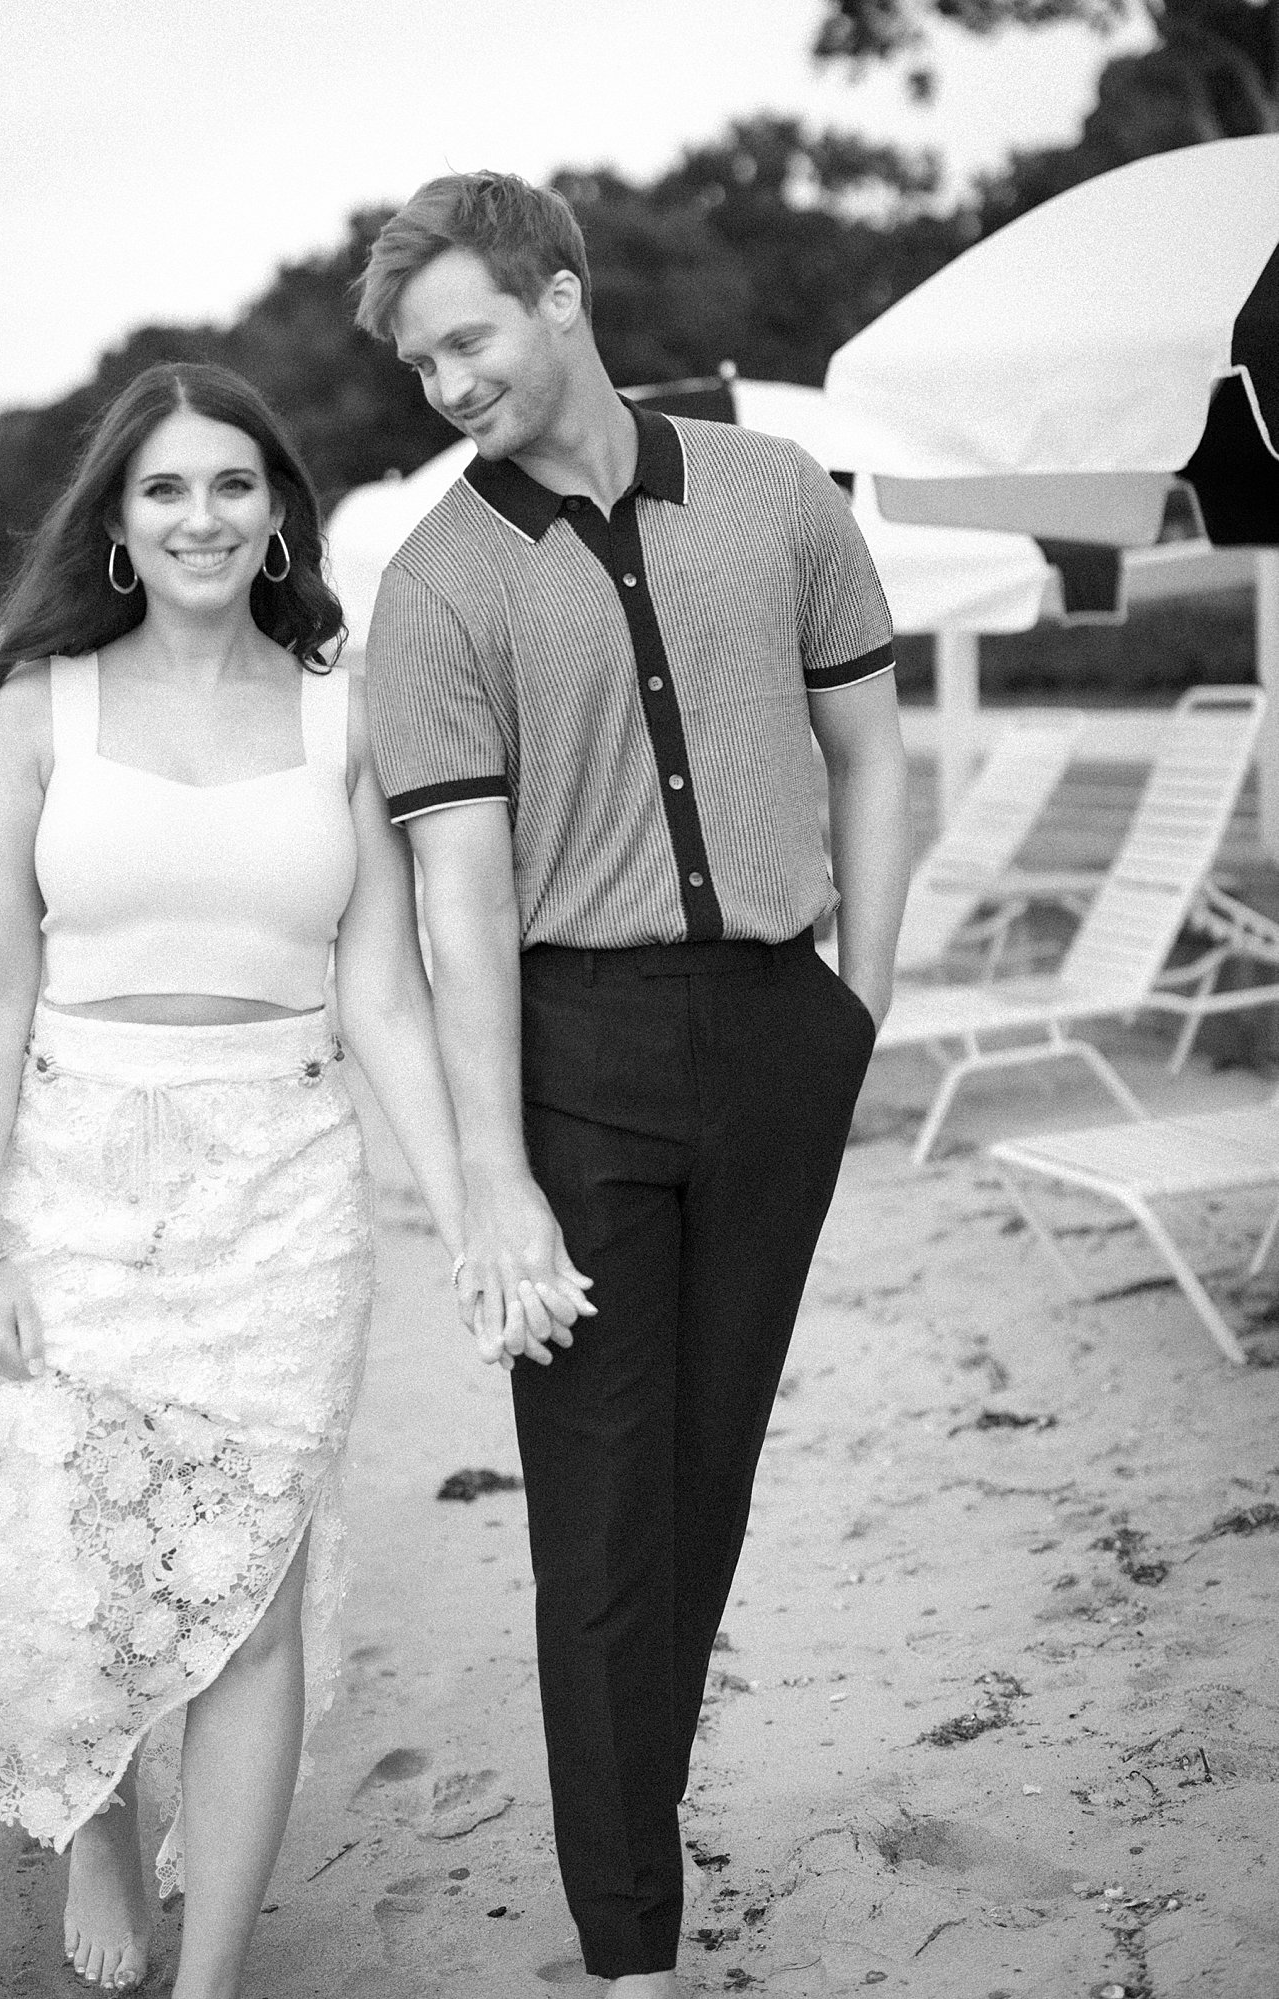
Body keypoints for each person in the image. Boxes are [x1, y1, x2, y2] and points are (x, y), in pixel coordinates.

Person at [0, 361, 576, 1998]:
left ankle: (212, 1976)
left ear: (278, 514)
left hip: (286, 1188)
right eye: (164, 490)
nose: (202, 514)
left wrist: (471, 1208)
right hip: (76, 1178)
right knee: (84, 1559)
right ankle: (93, 1825)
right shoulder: (39, 710)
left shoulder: (340, 710)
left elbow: (382, 994)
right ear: (122, 528)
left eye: (232, 484)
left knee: (254, 1588)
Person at [356, 174, 912, 1997]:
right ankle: (630, 1952)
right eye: (420, 361)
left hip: (776, 1034)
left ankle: (630, 1832)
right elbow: (455, 897)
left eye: (471, 339)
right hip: (571, 1056)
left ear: (566, 297)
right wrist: (497, 1174)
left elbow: (869, 748)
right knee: (602, 1520)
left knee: (712, 1480)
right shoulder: (436, 583)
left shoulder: (776, 494)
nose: (446, 384)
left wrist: (860, 1003)